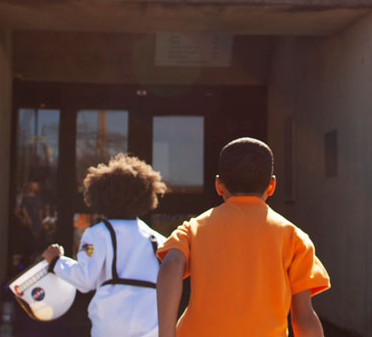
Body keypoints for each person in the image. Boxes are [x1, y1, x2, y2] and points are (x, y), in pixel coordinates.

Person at [156, 137, 330, 337]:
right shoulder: (293, 237)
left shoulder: (194, 228)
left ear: (219, 185)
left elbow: (171, 265)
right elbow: (304, 317)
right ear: (272, 186)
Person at [42, 153, 167, 337]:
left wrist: (56, 262)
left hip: (111, 325)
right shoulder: (158, 239)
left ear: (100, 196)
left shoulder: (98, 233)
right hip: (151, 325)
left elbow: (85, 280)